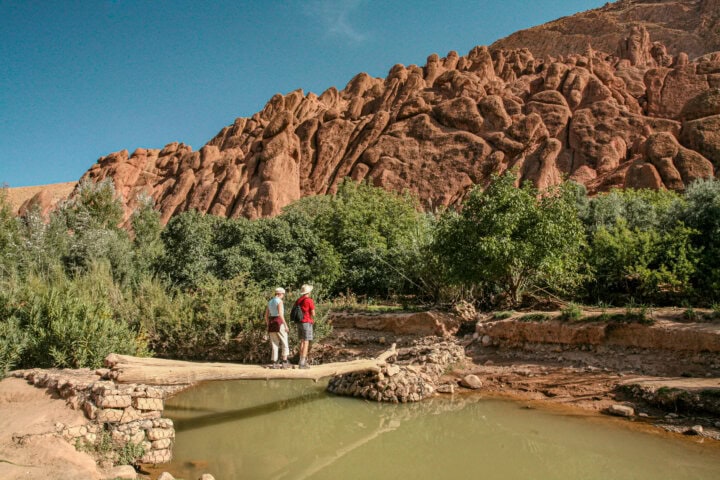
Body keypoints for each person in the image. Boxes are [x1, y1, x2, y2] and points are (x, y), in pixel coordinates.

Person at [265, 287, 290, 369]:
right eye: (283, 294)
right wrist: (286, 325)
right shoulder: (279, 301)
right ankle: (284, 362)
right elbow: (280, 314)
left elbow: (266, 316)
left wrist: (268, 324)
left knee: (274, 343)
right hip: (279, 322)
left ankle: (274, 363)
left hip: (271, 322)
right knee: (284, 342)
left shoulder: (270, 302)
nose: (283, 296)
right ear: (280, 294)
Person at [294, 284, 315, 369]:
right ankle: (302, 363)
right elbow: (313, 313)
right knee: (306, 342)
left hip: (299, 322)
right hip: (306, 322)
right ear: (309, 292)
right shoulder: (309, 300)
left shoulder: (298, 300)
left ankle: (300, 360)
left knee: (302, 341)